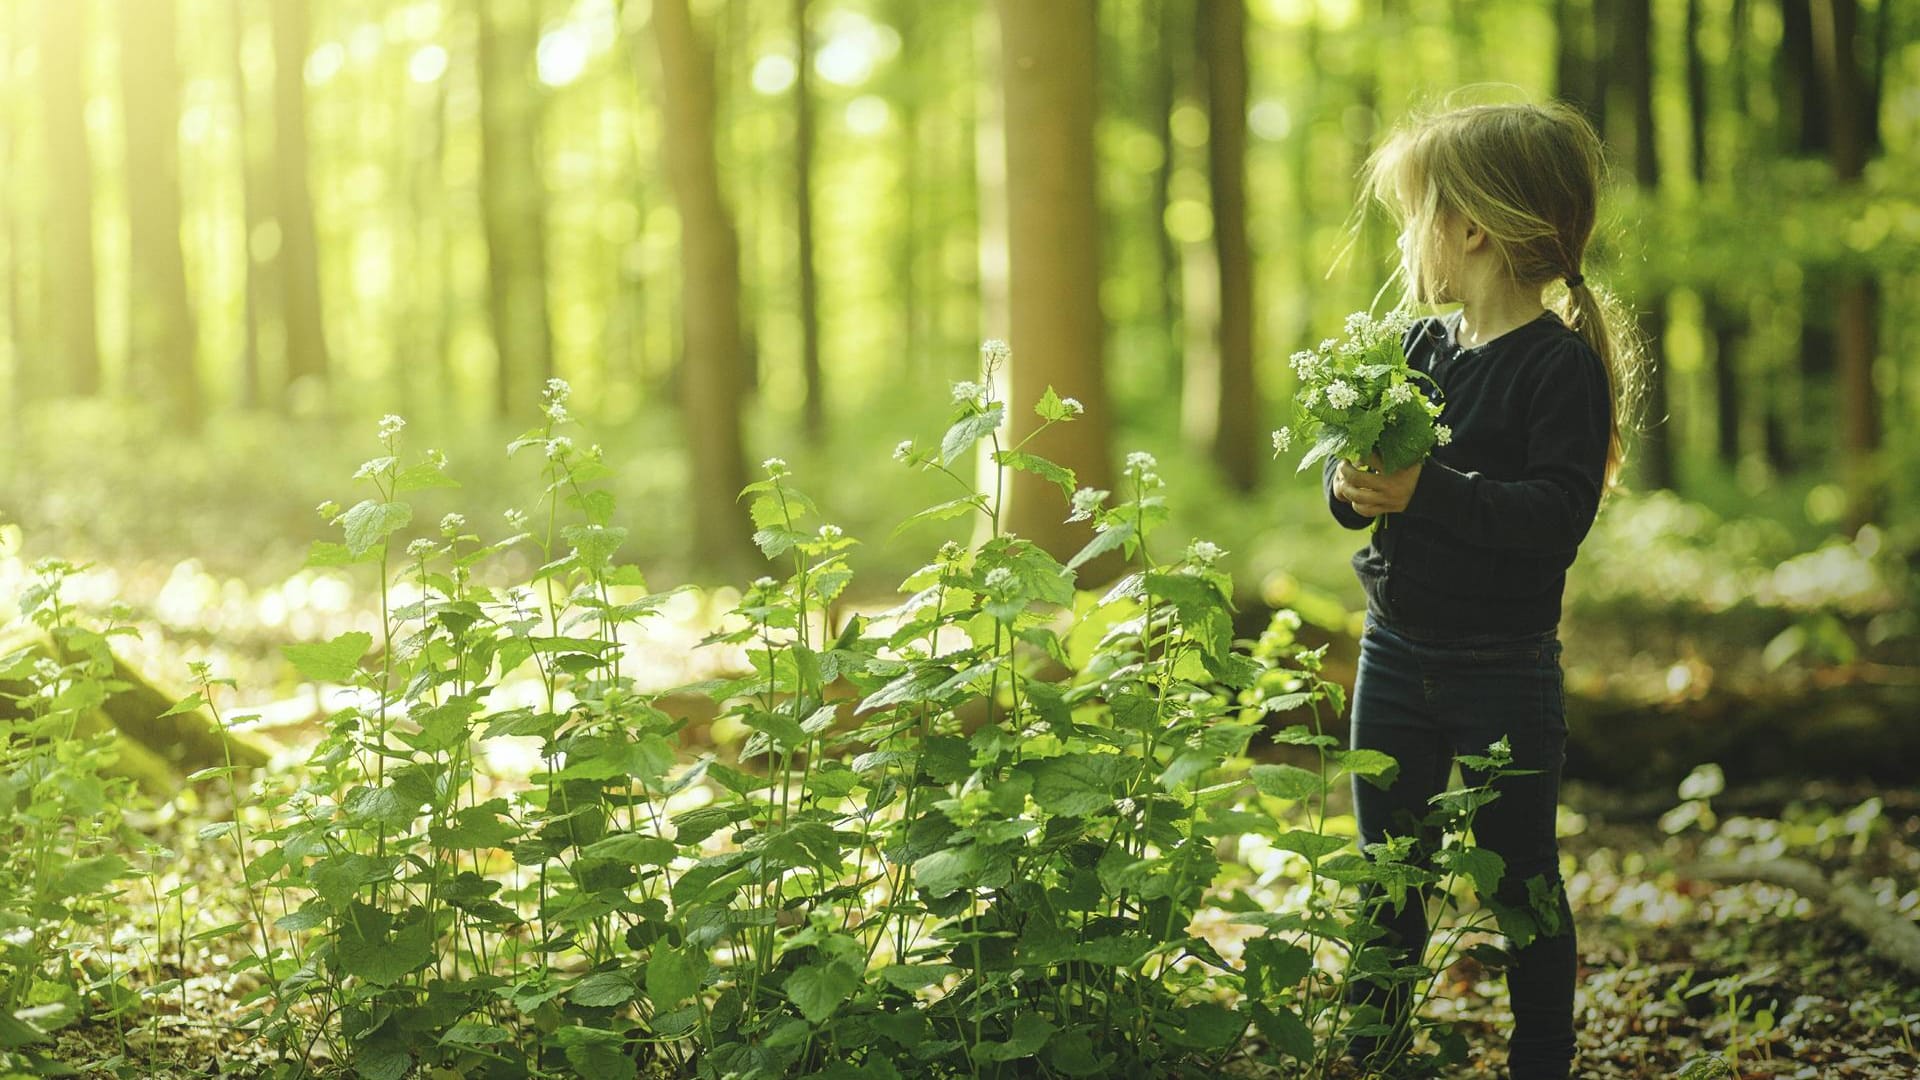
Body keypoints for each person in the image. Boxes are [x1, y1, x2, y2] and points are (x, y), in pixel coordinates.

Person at [1321, 99, 1644, 1080]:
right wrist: (1348, 486)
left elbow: (1551, 520)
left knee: (1523, 890)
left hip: (1504, 672)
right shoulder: (1418, 350)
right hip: (1393, 658)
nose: (1406, 235)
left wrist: (1428, 491)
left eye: (1417, 211)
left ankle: (1542, 1060)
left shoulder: (1559, 370)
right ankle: (1374, 1054)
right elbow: (1361, 480)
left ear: (1471, 229)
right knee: (1389, 882)